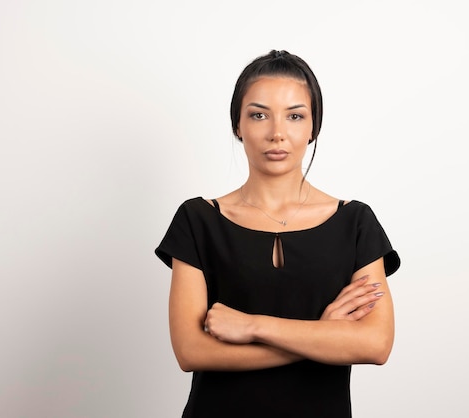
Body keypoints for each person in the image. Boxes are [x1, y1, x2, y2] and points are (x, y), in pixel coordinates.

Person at [155, 49, 400, 418]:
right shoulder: (197, 219)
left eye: (295, 116)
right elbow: (191, 351)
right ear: (237, 125)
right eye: (258, 115)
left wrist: (254, 326)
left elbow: (375, 344)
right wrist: (321, 335)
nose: (277, 134)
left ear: (313, 127)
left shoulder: (355, 222)